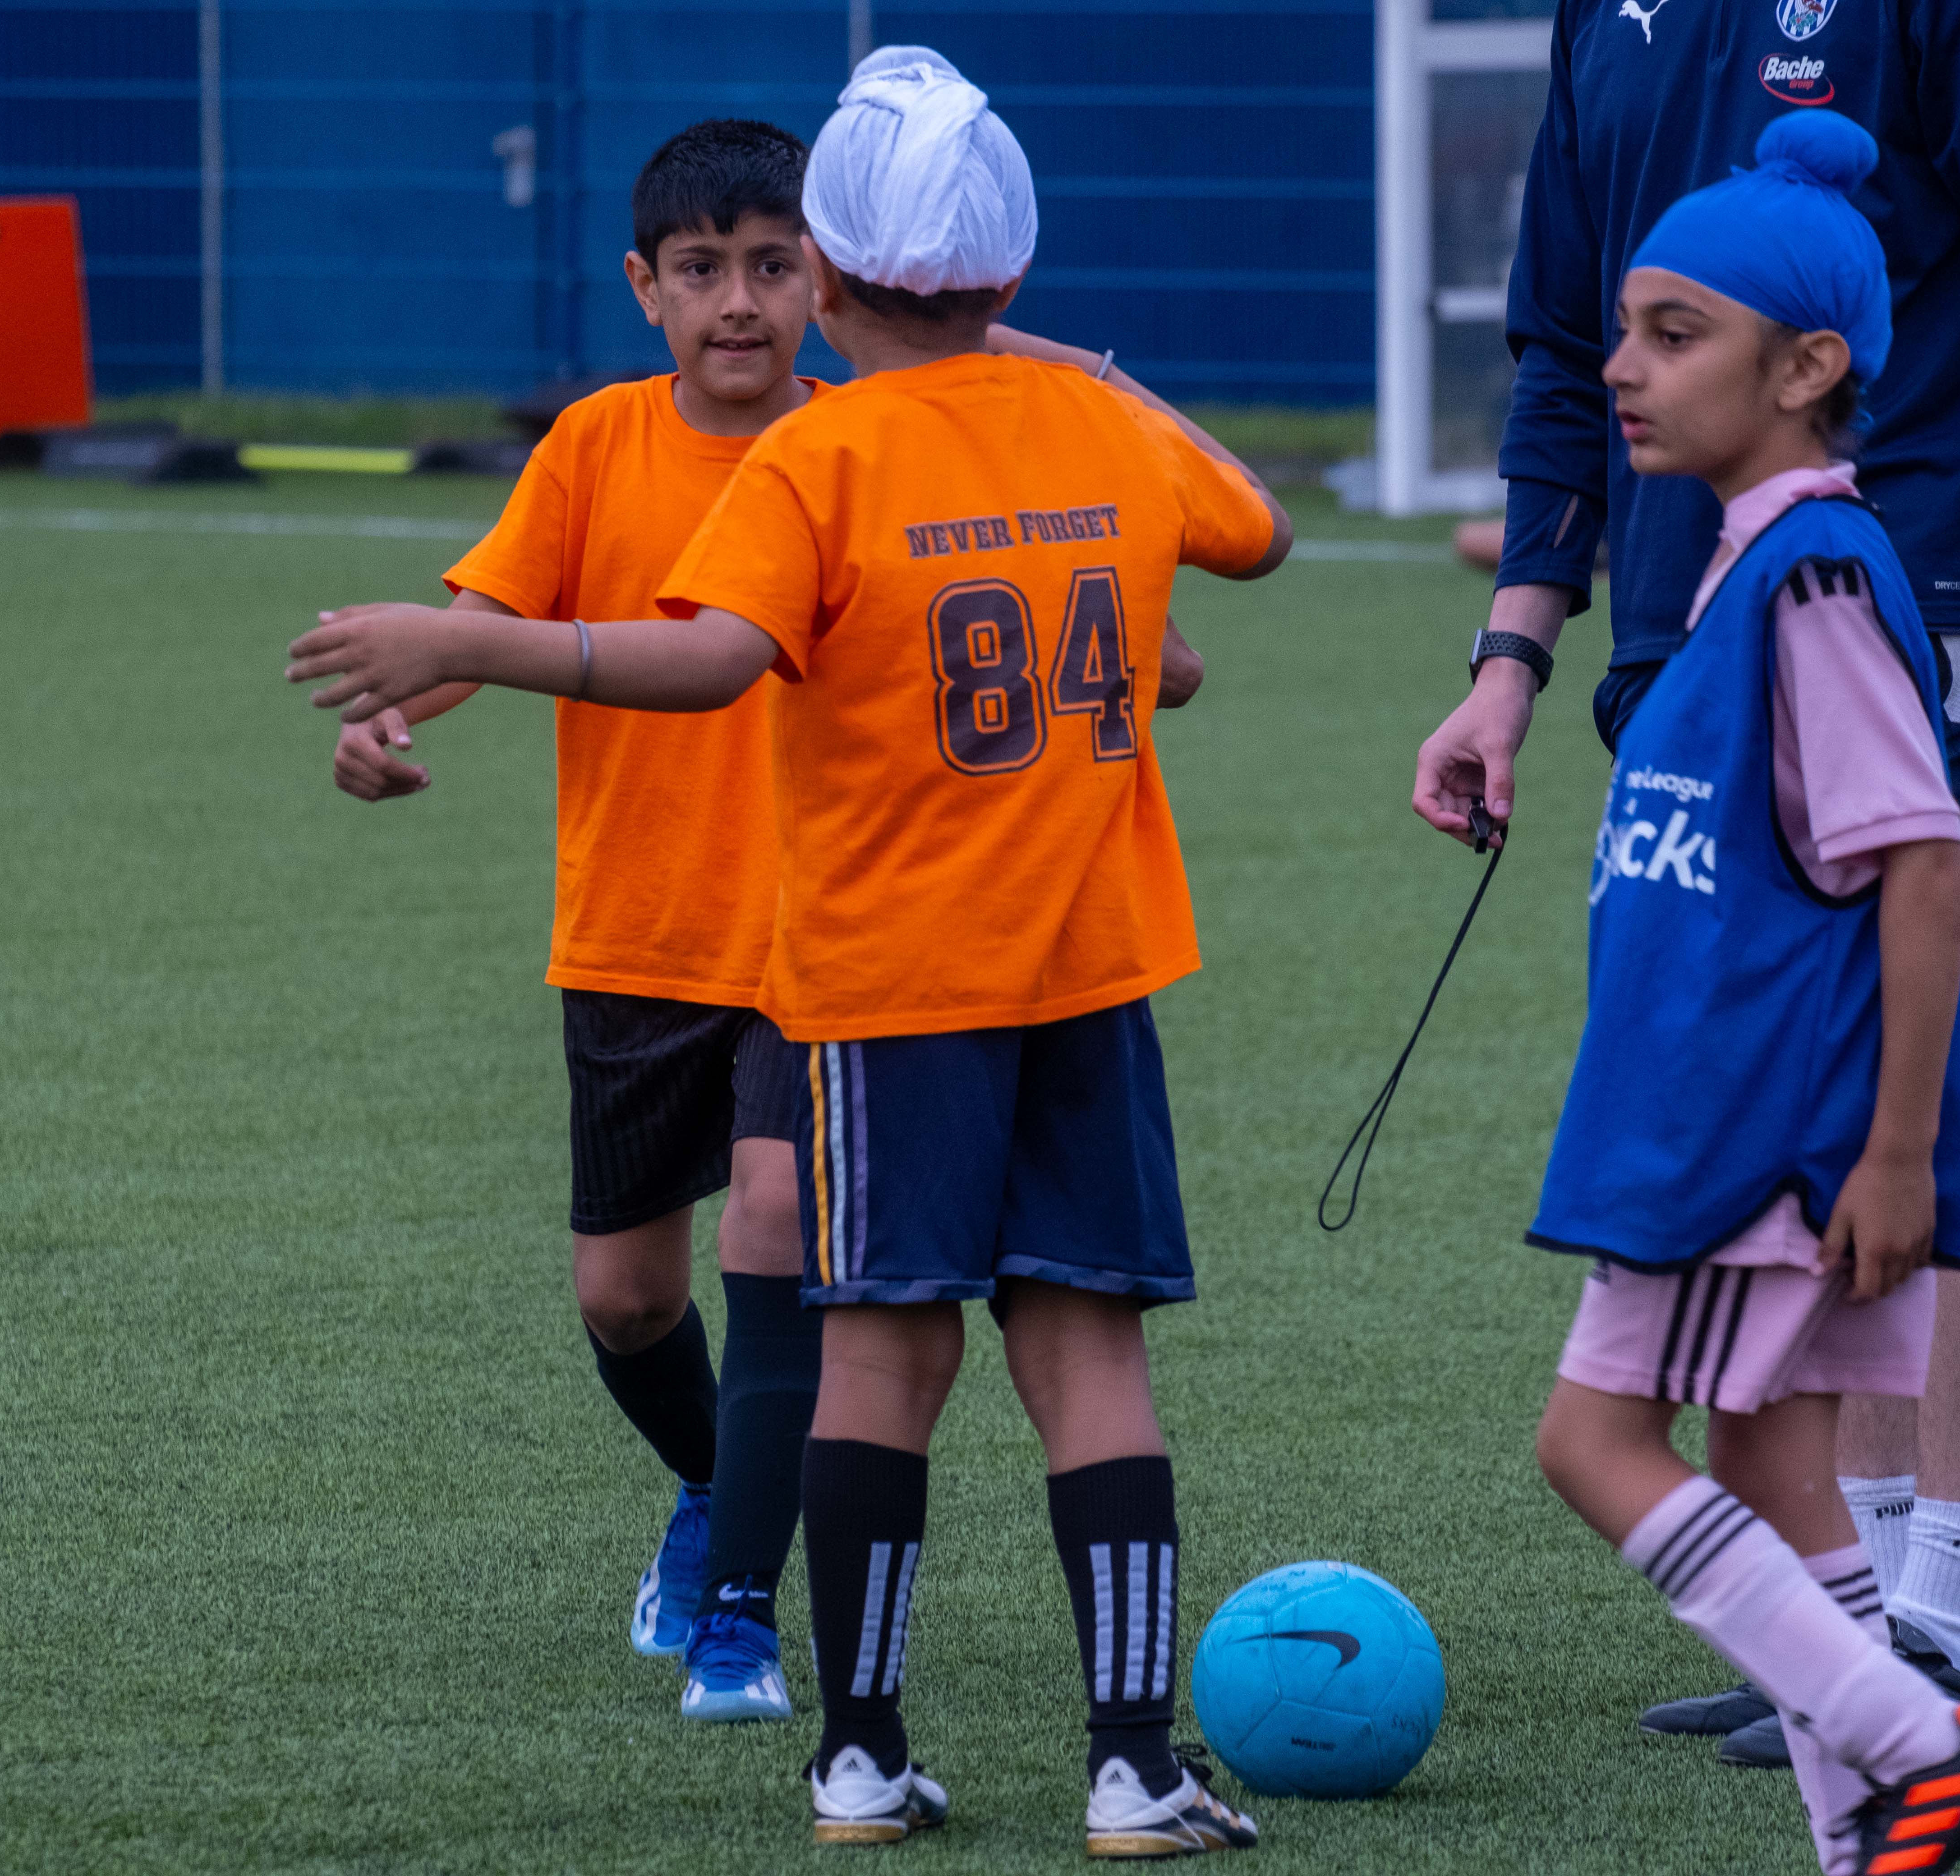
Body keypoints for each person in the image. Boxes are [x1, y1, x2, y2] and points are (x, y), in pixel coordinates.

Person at [289, 47, 1291, 1856]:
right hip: (1086, 973)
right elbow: (1263, 531)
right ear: (1015, 271)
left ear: (823, 280)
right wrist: (1072, 367)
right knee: (1090, 1357)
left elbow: (714, 655)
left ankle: (859, 1747)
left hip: (879, 986)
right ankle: (1134, 1762)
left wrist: (493, 654)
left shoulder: (820, 449)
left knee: (877, 1358)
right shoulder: (1103, 431)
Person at [1412, 0, 1960, 1770]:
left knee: (1938, 1083)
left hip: (1918, 587)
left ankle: (1947, 1626)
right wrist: (1514, 647)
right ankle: (1851, 1624)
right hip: (1685, 607)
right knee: (1800, 1109)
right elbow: (1566, 331)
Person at [1528, 113, 1960, 1876]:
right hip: (1768, 1126)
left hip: (1751, 1135)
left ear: (1810, 363)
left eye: (1677, 332)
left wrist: (1899, 1154)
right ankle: (1870, 1840)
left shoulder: (1815, 576)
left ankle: (1923, 1739)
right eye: (1627, 326)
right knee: (1770, 1462)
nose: (1625, 367)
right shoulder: (1764, 561)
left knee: (1595, 1438)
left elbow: (1927, 862)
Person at [324, 118, 827, 1724]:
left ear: (823, 275)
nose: (739, 301)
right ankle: (712, 1484)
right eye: (702, 271)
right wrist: (398, 713)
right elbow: (487, 627)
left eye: (771, 265)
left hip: (816, 940)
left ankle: (741, 1624)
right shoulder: (597, 447)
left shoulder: (855, 447)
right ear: (644, 287)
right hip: (630, 934)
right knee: (623, 1297)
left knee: (772, 1233)